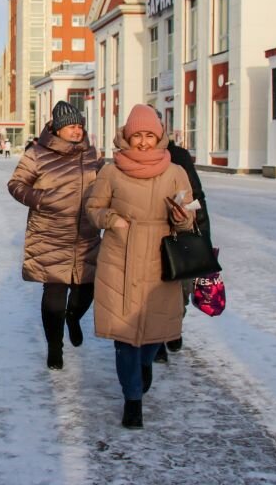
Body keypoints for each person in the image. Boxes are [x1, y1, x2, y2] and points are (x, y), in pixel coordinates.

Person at [84, 104, 196, 429]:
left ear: (159, 136)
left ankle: (145, 364)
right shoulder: (111, 171)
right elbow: (93, 208)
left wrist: (182, 218)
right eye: (137, 136)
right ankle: (132, 400)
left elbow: (189, 215)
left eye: (149, 135)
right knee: (124, 334)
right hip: (120, 256)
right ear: (127, 136)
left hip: (161, 258)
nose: (143, 142)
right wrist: (111, 220)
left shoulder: (175, 171)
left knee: (153, 332)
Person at [7, 101, 101, 371]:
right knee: (54, 296)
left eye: (80, 126)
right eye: (72, 126)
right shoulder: (37, 154)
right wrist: (42, 199)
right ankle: (54, 347)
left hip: (86, 235)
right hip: (50, 234)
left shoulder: (92, 154)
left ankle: (73, 319)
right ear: (58, 129)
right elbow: (15, 184)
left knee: (86, 290)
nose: (77, 131)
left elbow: (106, 183)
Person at [153, 108, 212, 362]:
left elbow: (196, 195)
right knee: (152, 291)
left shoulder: (178, 155)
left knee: (182, 289)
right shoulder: (127, 161)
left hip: (183, 233)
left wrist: (204, 237)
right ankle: (156, 344)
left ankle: (173, 327)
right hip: (151, 235)